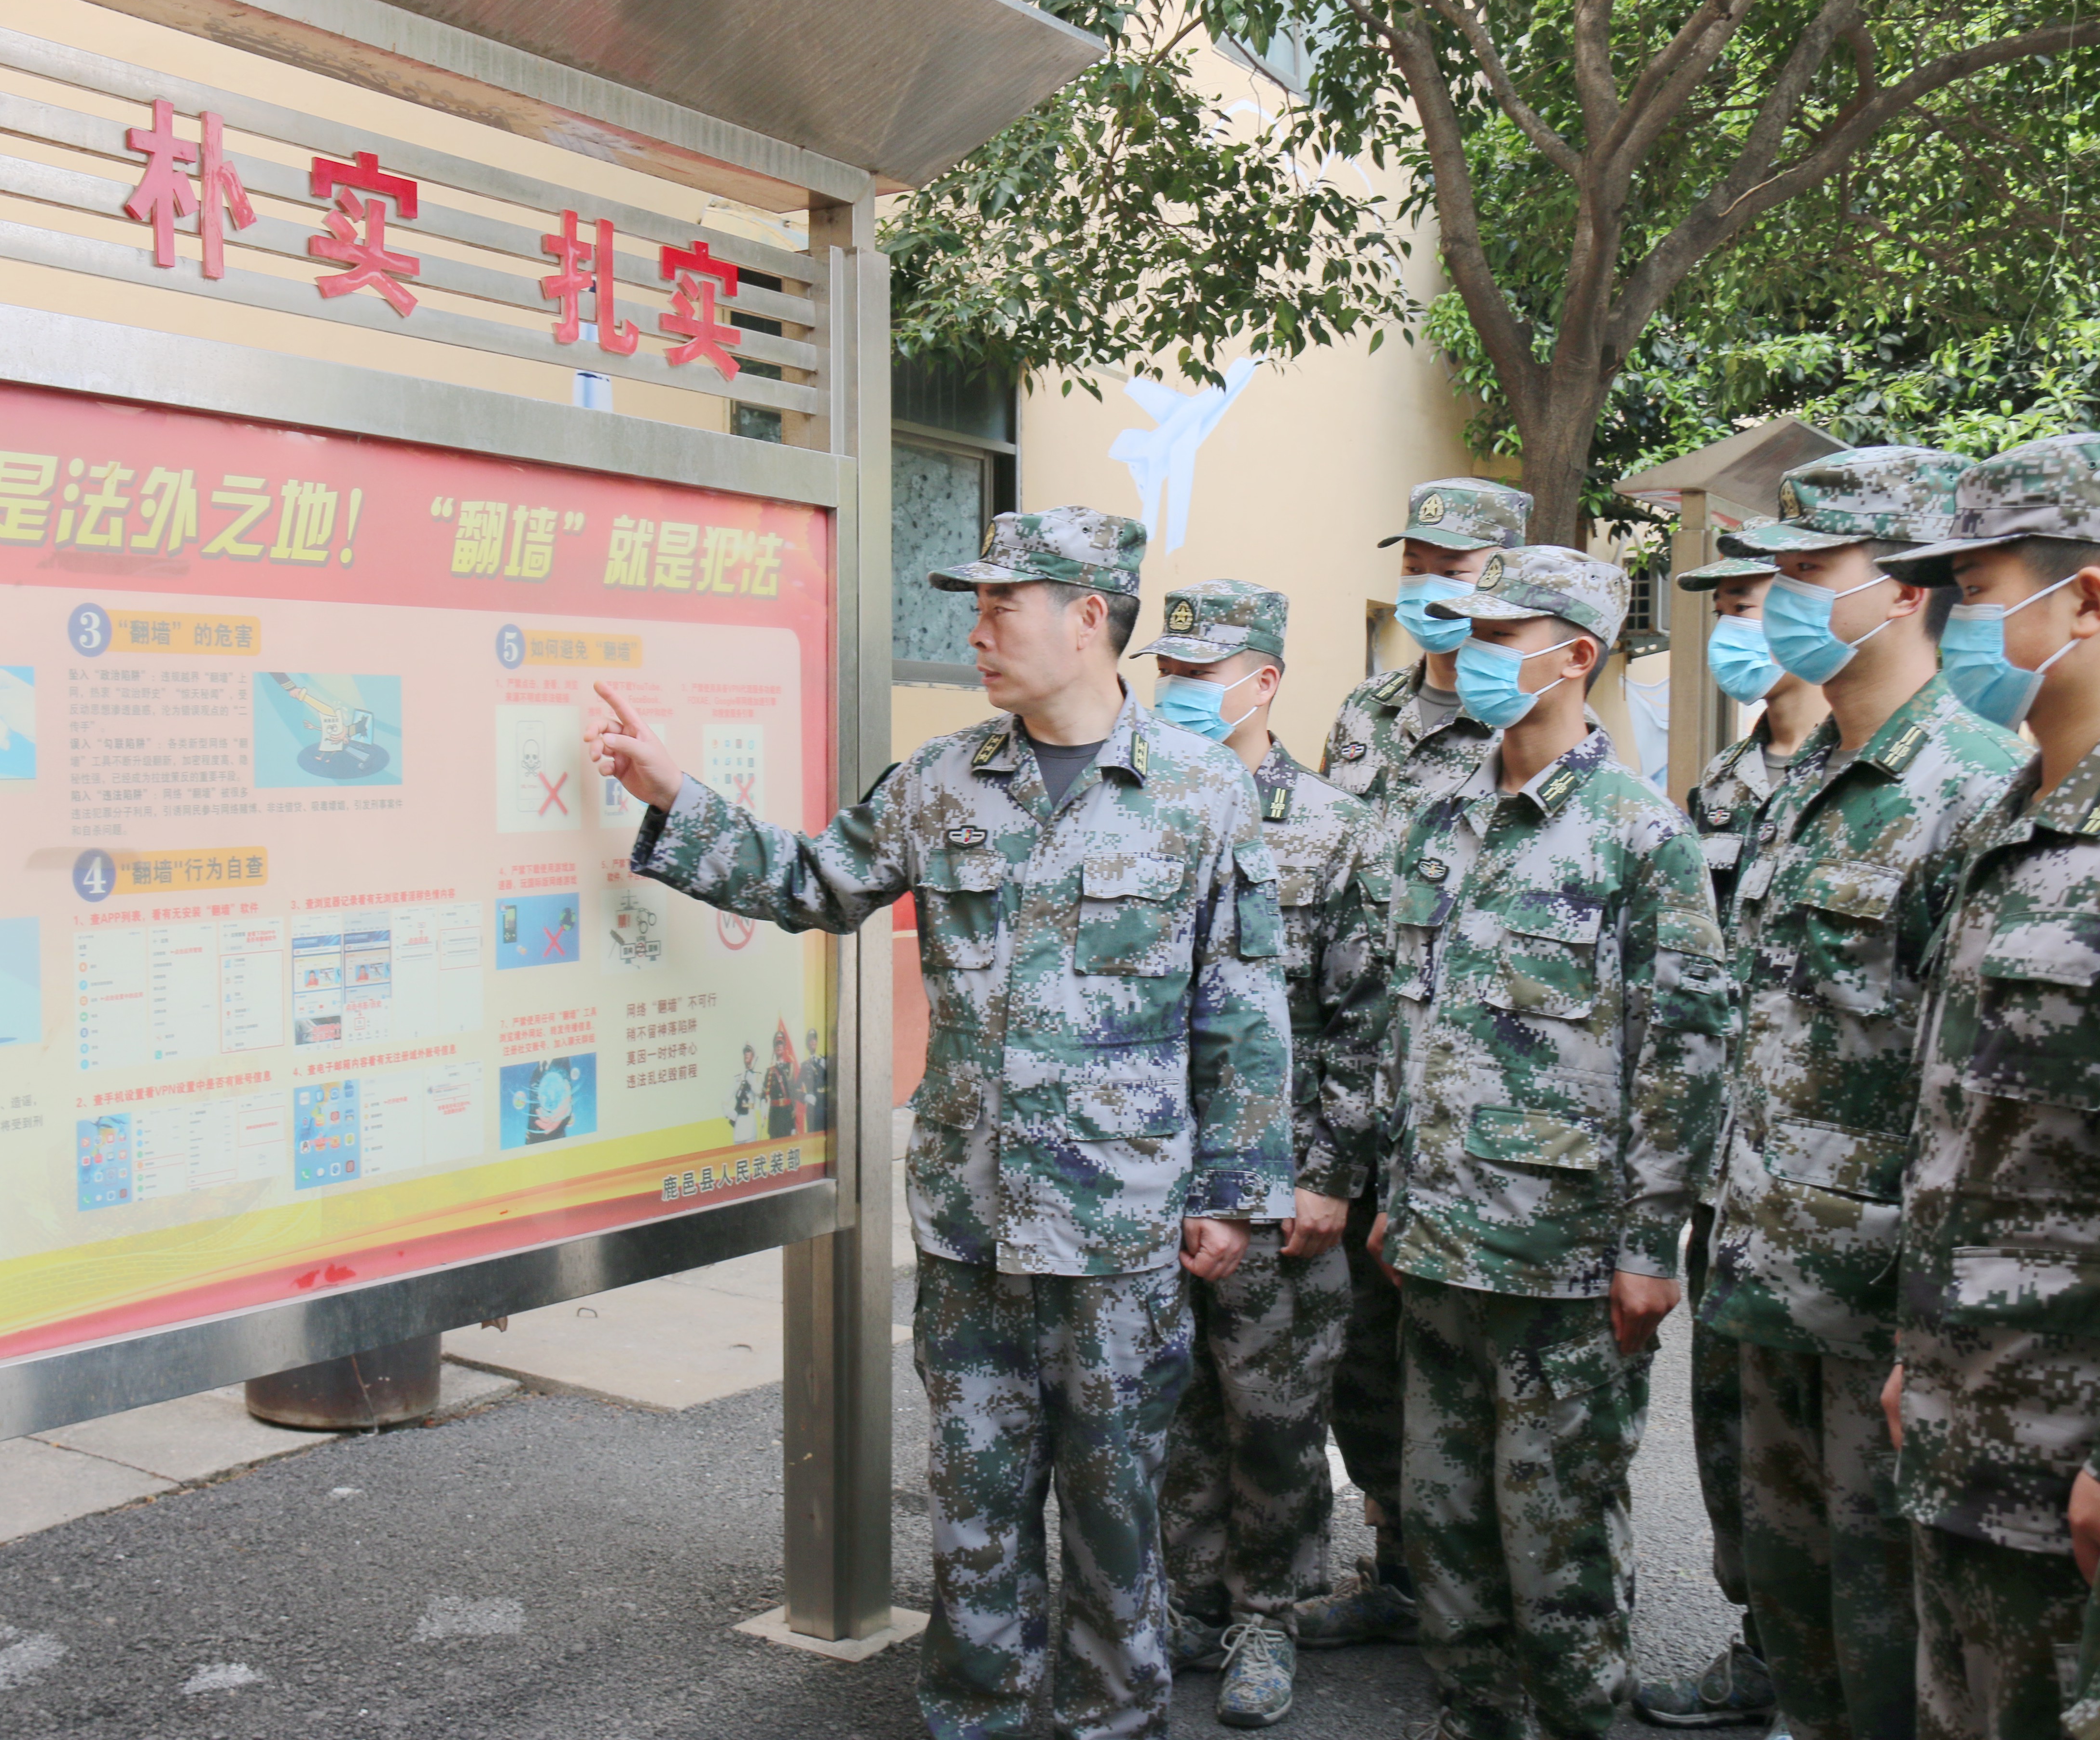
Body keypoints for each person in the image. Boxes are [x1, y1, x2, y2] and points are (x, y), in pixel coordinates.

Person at [584, 506, 1292, 1740]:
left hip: (1119, 1234)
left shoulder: (1199, 792)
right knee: (974, 1507)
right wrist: (674, 794)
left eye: (1000, 606)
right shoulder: (942, 780)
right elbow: (812, 880)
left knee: (1116, 1510)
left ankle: (1114, 1719)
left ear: (1087, 616)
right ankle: (975, 1714)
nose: (975, 632)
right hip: (972, 1226)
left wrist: (1234, 1195)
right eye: (975, 608)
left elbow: (1240, 1006)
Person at [1368, 545, 1731, 1740]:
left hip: (1563, 1265)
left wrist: (1649, 1245)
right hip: (1438, 1248)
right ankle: (1473, 1716)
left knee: (1557, 1544)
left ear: (1575, 655)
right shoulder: (1437, 819)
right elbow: (1410, 1025)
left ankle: (1574, 1720)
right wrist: (1395, 1187)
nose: (1466, 653)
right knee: (1444, 1527)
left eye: (1496, 634)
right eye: (1463, 630)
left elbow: (1682, 1053)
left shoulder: (1640, 837)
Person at [1697, 446, 2031, 1740]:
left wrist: (1929, 1338)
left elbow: (1970, 1093)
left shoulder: (1968, 787)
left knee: (1891, 1645)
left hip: (1878, 1312)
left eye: (1808, 570)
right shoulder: (1801, 783)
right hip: (1767, 1276)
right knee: (1797, 1634)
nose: (1782, 598)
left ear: (1901, 589)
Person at [1870, 434, 2100, 1739]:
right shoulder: (1999, 827)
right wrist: (1920, 1355)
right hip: (1963, 1424)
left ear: (2088, 597)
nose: (1956, 622)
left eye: (1979, 588)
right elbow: (1961, 1125)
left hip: (2069, 1464)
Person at [1140, 580, 1386, 1727]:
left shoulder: (1335, 829)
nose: (1178, 692)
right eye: (1168, 673)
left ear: (1264, 681)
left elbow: (1365, 1021)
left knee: (1274, 1412)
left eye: (1201, 674)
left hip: (1281, 1179)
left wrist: (1332, 1175)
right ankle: (1188, 1600)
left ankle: (1267, 1615)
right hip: (1154, 1170)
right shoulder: (1140, 808)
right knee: (1175, 1402)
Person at [1301, 475, 1530, 1648]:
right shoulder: (1364, 714)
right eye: (1419, 564)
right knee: (1362, 1355)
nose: (1432, 586)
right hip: (1358, 1080)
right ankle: (1398, 1563)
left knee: (1476, 1363)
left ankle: (1509, 1599)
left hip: (1469, 1094)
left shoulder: (1524, 722)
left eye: (1459, 568)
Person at [1631, 551, 1829, 1733]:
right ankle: (1765, 1644)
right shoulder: (1720, 788)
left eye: (1751, 605)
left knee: (1836, 1460)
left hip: (1824, 1186)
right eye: (1726, 611)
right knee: (1735, 1434)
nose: (1733, 630)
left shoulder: (1889, 779)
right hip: (1724, 1174)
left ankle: (1832, 1681)